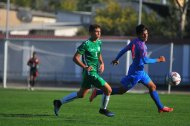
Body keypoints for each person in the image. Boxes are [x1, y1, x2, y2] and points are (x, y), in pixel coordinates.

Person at [90, 24, 173, 113]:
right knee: (121, 91)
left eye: (147, 33)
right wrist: (158, 59)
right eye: (143, 34)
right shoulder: (141, 46)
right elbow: (145, 60)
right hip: (135, 74)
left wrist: (116, 59)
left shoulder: (135, 41)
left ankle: (160, 107)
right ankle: (98, 92)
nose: (146, 36)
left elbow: (124, 50)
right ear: (138, 35)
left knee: (152, 86)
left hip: (140, 71)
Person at [53, 24, 114, 117]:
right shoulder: (86, 44)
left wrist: (102, 63)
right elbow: (75, 58)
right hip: (90, 72)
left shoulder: (99, 42)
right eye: (96, 31)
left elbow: (98, 53)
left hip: (91, 73)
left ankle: (59, 102)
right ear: (90, 32)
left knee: (81, 94)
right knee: (108, 89)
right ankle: (103, 109)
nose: (99, 33)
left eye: (100, 32)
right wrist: (85, 66)